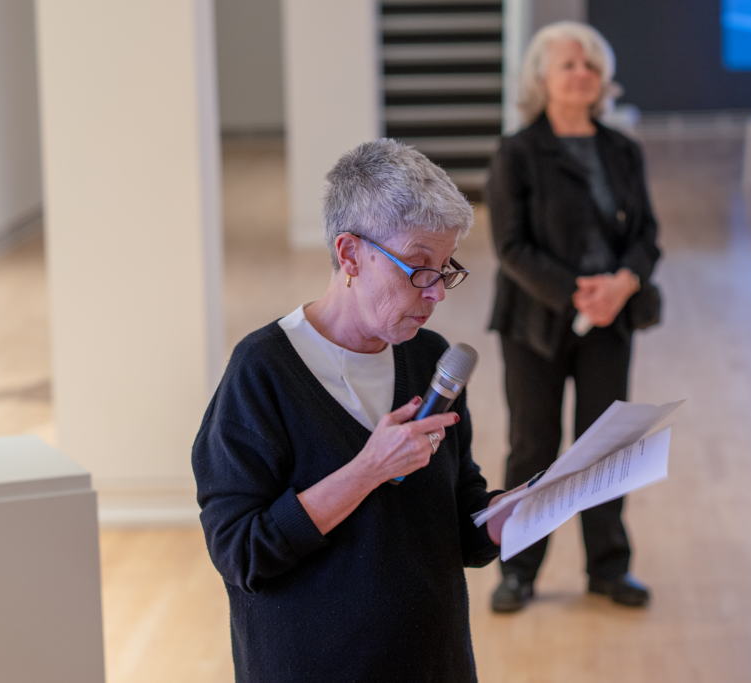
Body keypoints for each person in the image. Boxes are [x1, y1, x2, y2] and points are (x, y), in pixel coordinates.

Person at [193, 139, 517, 682]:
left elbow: (456, 521)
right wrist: (367, 470)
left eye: (444, 268)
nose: (435, 292)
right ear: (349, 255)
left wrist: (506, 516)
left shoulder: (431, 359)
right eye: (418, 267)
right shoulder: (262, 372)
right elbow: (241, 551)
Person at [486, 21, 662, 613]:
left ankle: (609, 569)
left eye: (590, 65)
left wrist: (624, 282)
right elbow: (509, 247)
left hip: (610, 319)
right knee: (532, 448)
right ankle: (519, 571)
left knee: (607, 449)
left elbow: (647, 234)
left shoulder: (622, 150)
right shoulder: (517, 151)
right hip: (534, 321)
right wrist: (578, 292)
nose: (582, 74)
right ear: (542, 78)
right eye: (569, 65)